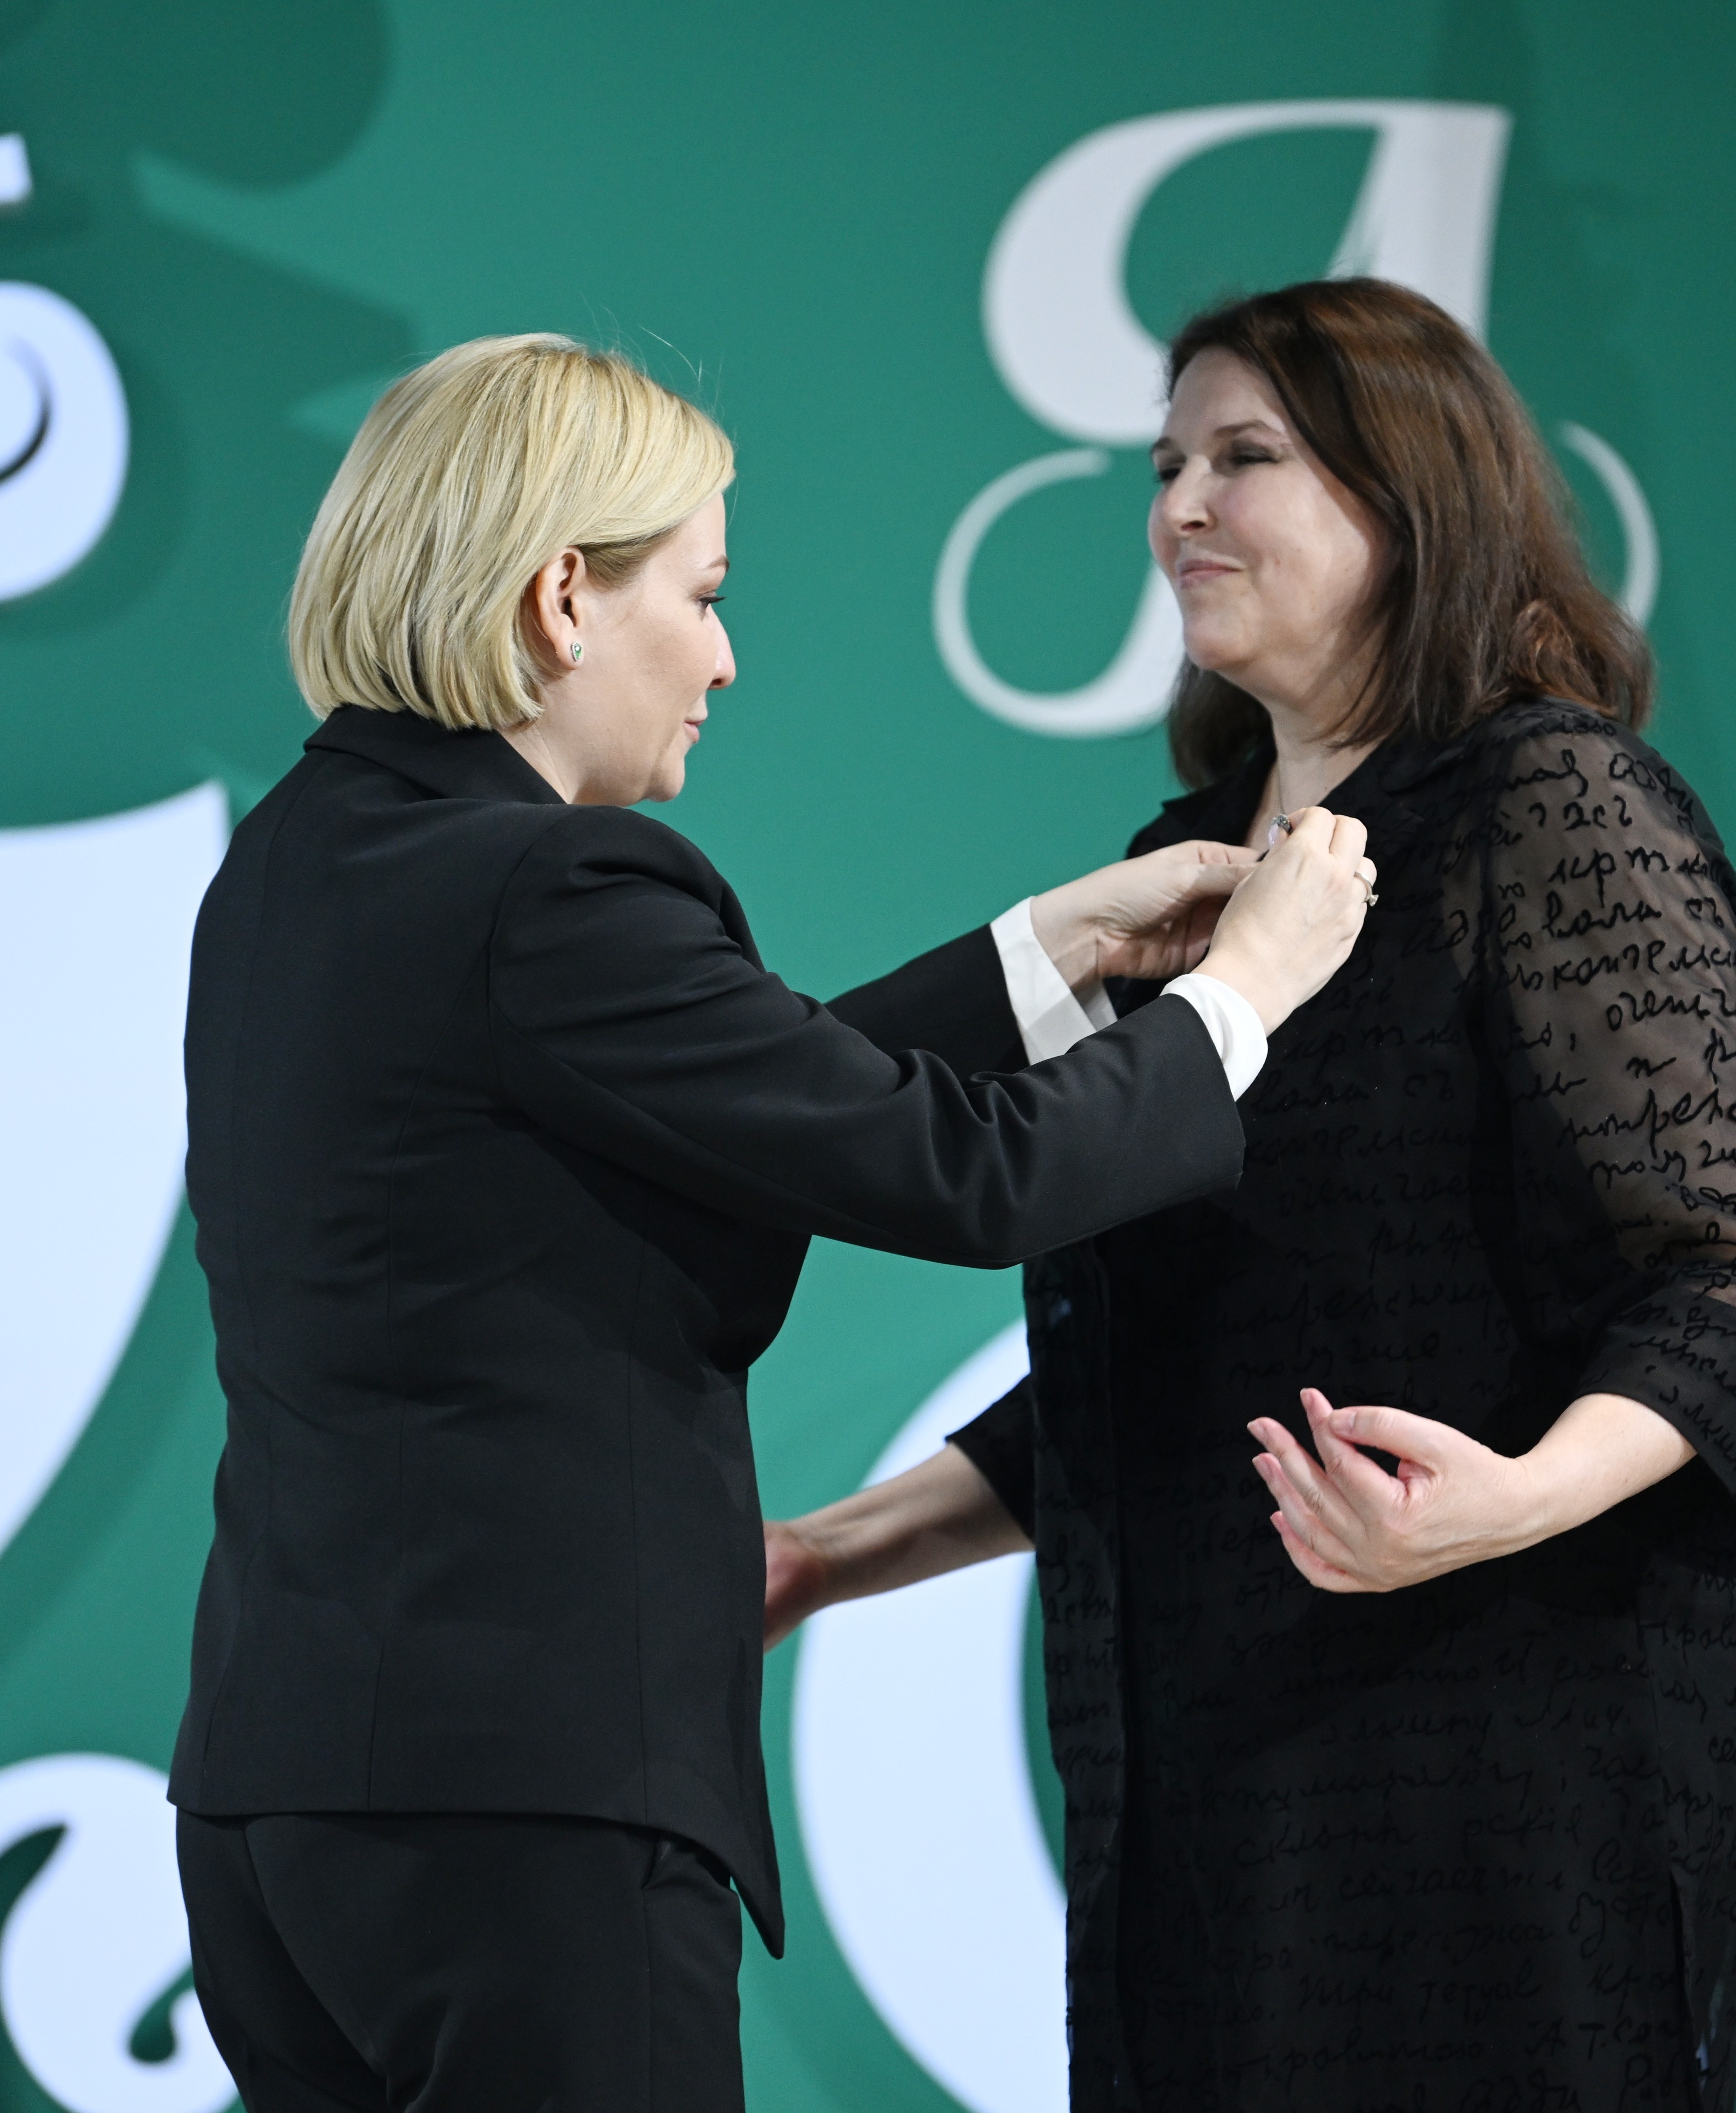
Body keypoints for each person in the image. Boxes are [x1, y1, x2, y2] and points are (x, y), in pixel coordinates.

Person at [166, 333, 1376, 2113]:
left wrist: (1048, 953)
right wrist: (1242, 995)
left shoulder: (299, 855)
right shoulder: (553, 885)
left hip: (280, 1813)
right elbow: (975, 1175)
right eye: (704, 594)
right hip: (534, 1815)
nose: (725, 658)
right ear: (562, 600)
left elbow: (701, 1106)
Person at [766, 280, 1736, 2113]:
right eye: (1165, 464)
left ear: (1412, 500)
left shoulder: (1555, 806)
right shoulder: (1178, 867)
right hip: (1202, 1771)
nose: (1180, 507)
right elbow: (1157, 1369)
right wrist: (825, 1557)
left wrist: (1507, 1502)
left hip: (1509, 1755)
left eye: (1244, 457)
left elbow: (1730, 1285)